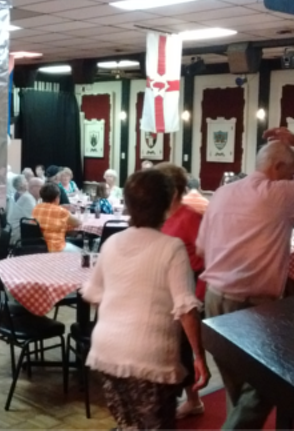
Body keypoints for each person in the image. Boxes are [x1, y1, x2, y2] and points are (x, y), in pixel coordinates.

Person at [197, 126, 294, 430]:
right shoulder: (277, 193)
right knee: (265, 386)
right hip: (253, 306)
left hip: (214, 299)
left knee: (238, 390)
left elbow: (201, 247)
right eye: (293, 173)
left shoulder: (221, 193)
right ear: (277, 168)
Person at [82, 169, 210, 430]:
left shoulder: (111, 243)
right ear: (168, 202)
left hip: (108, 351)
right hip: (150, 357)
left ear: (128, 204)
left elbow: (93, 294)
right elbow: (186, 309)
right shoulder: (171, 248)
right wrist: (198, 356)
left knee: (127, 425)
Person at [154, 162, 207, 420]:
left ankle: (192, 400)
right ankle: (185, 399)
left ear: (173, 191)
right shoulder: (168, 214)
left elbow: (208, 256)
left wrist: (197, 295)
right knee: (175, 347)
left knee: (183, 348)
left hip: (189, 286)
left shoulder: (189, 217)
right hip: (172, 286)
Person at [32, 183, 81, 252]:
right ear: (57, 198)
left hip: (39, 247)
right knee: (84, 253)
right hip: (56, 248)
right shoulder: (61, 211)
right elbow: (78, 223)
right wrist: (65, 210)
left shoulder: (36, 208)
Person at [8, 178, 44, 243]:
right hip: (19, 236)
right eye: (41, 187)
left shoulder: (35, 198)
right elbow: (34, 222)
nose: (44, 190)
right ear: (33, 188)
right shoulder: (28, 199)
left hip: (25, 232)